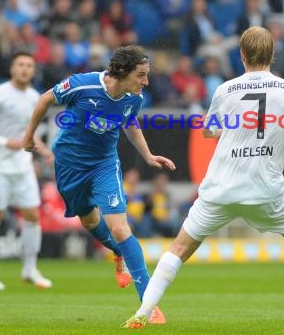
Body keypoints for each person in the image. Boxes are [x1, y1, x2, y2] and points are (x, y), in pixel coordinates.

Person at [121, 26, 284, 329]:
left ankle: (143, 312)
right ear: (272, 55)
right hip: (265, 191)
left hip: (220, 189)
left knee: (179, 248)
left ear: (242, 55)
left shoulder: (224, 90)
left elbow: (209, 131)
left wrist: (231, 128)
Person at [22, 45, 175, 324]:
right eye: (141, 75)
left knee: (120, 227)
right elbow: (45, 99)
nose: (146, 82)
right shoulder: (83, 84)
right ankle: (118, 253)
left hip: (105, 164)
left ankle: (148, 304)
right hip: (69, 165)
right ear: (121, 71)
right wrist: (30, 136)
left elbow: (130, 123)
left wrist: (148, 154)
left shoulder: (134, 97)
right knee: (89, 220)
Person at [0, 52, 53, 291]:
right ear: (12, 68)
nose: (25, 69)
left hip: (22, 164)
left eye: (29, 65)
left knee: (32, 215)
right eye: (20, 64)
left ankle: (30, 268)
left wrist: (45, 151)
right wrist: (3, 141)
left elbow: (28, 132)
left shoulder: (34, 98)